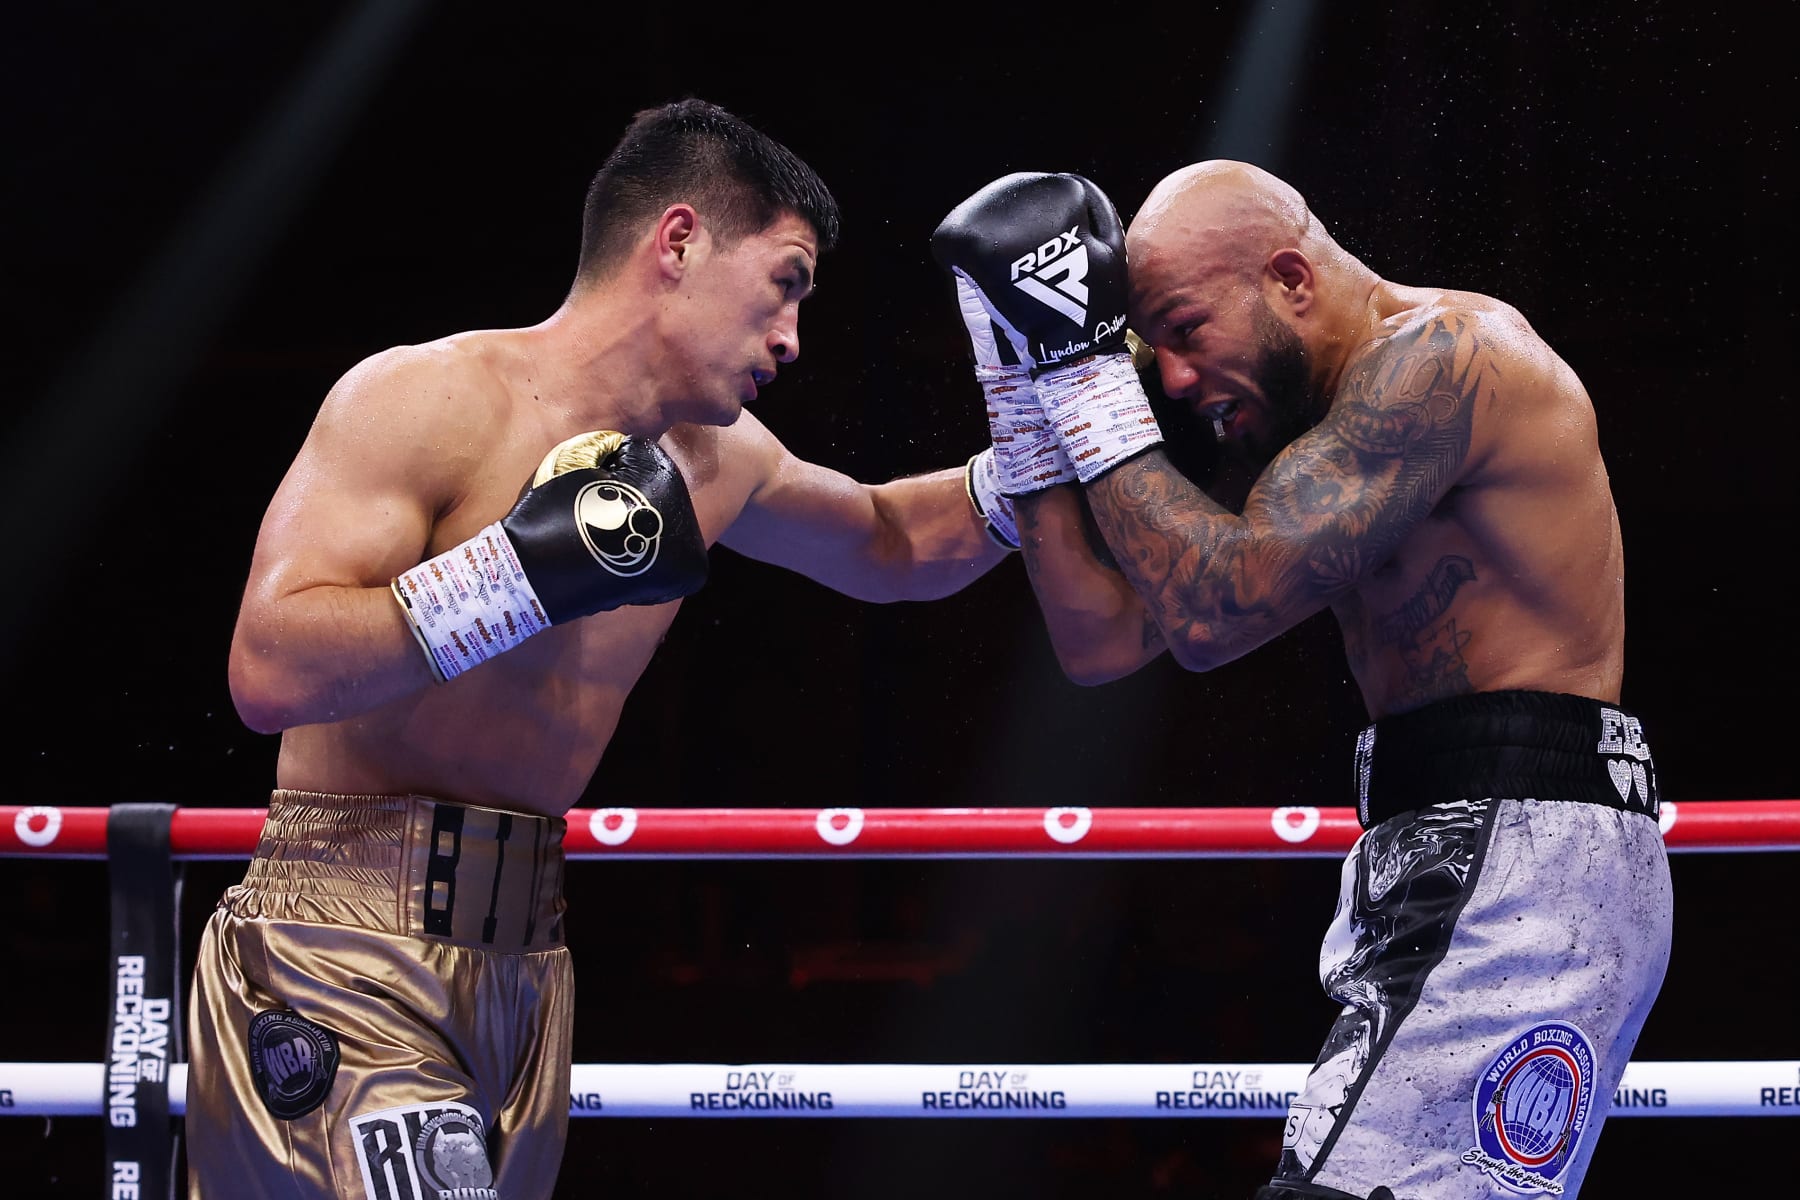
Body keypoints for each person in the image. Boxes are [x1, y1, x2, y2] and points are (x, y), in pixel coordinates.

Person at [191, 97, 1014, 1199]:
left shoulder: (719, 462)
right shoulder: (431, 398)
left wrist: (1066, 426)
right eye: (785, 282)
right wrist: (517, 577)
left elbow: (893, 544)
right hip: (341, 947)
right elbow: (268, 667)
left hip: (526, 973)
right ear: (679, 242)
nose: (792, 337)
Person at [930, 164, 1672, 1199]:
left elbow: (1214, 607)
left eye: (1185, 329)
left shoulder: (1449, 360)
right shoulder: (1298, 438)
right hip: (1452, 842)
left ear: (1287, 277)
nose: (1176, 378)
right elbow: (1101, 638)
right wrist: (1024, 390)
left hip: (1518, 848)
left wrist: (1085, 377)